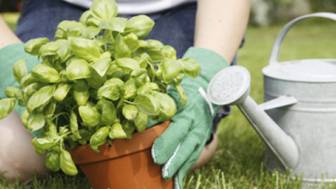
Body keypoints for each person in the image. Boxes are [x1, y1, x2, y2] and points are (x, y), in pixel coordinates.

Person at [0, 0, 250, 188]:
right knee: (16, 158)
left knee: (162, 141)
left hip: (191, 15)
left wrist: (205, 71)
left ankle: (207, 136)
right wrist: (9, 58)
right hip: (58, 8)